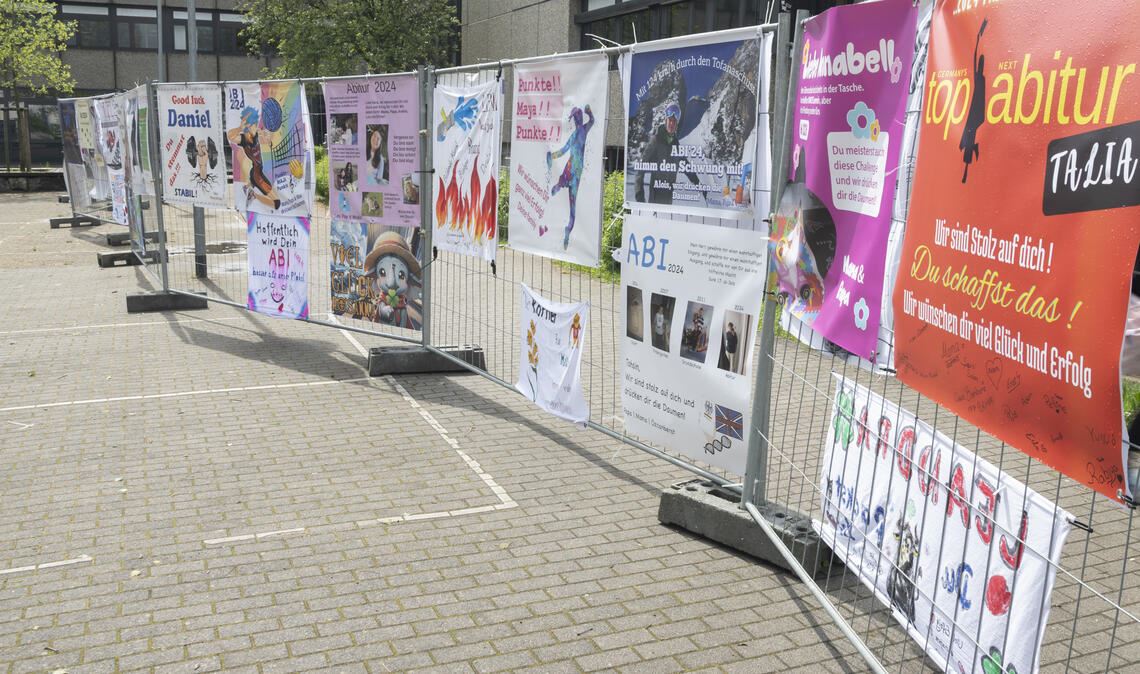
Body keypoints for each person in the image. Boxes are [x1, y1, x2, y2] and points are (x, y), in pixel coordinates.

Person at [633, 102, 702, 205]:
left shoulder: (675, 144)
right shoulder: (656, 140)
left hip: (669, 198)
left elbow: (686, 166)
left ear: (677, 124)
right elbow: (640, 169)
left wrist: (699, 185)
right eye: (670, 120)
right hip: (655, 198)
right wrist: (639, 194)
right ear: (666, 120)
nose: (671, 124)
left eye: (674, 122)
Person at [546, 105, 595, 248]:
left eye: (575, 117)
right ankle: (569, 227)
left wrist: (552, 156)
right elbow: (592, 120)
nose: (575, 120)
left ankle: (558, 185)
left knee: (569, 196)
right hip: (576, 170)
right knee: (572, 206)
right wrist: (589, 112)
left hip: (571, 168)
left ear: (575, 119)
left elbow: (562, 151)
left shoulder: (575, 134)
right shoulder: (583, 130)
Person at [226, 106, 281, 210]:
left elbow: (268, 141)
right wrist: (239, 128)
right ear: (248, 125)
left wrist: (267, 137)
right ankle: (253, 195)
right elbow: (230, 136)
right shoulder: (244, 139)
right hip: (257, 176)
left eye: (256, 123)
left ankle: (248, 186)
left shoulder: (255, 134)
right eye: (254, 124)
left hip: (257, 171)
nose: (256, 126)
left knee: (270, 190)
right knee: (276, 203)